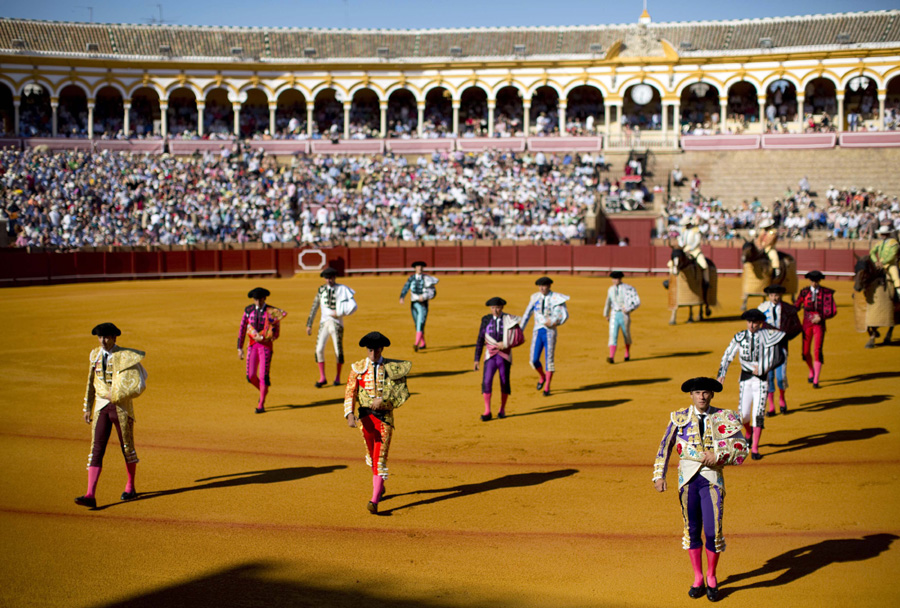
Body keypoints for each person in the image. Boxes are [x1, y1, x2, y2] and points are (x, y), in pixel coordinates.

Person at [653, 377, 749, 603]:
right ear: (691, 395)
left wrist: (720, 455)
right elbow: (664, 446)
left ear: (712, 395)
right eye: (698, 393)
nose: (702, 397)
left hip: (712, 478)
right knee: (692, 529)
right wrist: (659, 475)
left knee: (713, 531)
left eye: (706, 392)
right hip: (687, 480)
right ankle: (698, 578)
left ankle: (712, 577)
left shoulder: (725, 417)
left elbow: (742, 450)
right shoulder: (679, 418)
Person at [76, 322, 148, 508]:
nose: (103, 341)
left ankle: (130, 486)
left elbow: (137, 384)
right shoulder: (95, 356)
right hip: (101, 407)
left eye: (107, 337)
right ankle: (90, 494)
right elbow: (90, 382)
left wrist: (116, 394)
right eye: (100, 337)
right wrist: (87, 407)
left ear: (115, 338)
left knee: (127, 447)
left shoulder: (126, 356)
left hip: (121, 408)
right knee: (96, 449)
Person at [343, 331, 412, 514]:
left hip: (384, 418)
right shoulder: (358, 368)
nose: (373, 354)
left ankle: (374, 501)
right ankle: (379, 488)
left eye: (376, 350)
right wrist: (349, 414)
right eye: (370, 350)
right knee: (372, 456)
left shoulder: (392, 368)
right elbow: (350, 391)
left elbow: (402, 394)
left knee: (380, 458)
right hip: (365, 418)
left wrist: (384, 400)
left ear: (382, 349)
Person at [716, 309, 786, 460]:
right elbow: (728, 355)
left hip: (761, 380)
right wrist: (721, 374)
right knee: (743, 415)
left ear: (760, 323)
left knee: (758, 414)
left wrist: (762, 368)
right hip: (746, 379)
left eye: (755, 322)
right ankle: (749, 433)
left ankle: (754, 448)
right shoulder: (740, 337)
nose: (752, 325)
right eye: (749, 322)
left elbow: (778, 356)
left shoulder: (768, 336)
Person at [237, 287, 287, 414]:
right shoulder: (248, 311)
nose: (258, 302)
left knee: (264, 376)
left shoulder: (272, 311)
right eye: (256, 299)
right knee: (251, 376)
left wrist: (268, 337)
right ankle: (263, 390)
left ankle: (261, 404)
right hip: (252, 345)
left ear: (264, 298)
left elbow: (277, 331)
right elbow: (242, 328)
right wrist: (239, 347)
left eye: (260, 299)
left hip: (265, 346)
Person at [474, 297, 523, 421]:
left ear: (502, 308)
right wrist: (476, 359)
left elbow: (518, 338)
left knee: (504, 381)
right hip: (490, 355)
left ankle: (502, 409)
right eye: (493, 308)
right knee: (487, 381)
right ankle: (487, 411)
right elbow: (480, 339)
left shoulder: (509, 320)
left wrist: (506, 344)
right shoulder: (485, 320)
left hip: (504, 355)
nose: (495, 310)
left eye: (497, 308)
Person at [307, 267, 357, 388]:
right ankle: (322, 377)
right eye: (327, 278)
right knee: (319, 349)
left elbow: (352, 306)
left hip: (337, 323)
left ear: (334, 277)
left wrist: (340, 313)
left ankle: (338, 377)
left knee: (337, 350)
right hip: (324, 323)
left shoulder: (342, 289)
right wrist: (309, 324)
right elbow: (315, 307)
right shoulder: (321, 290)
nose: (329, 280)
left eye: (331, 278)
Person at [757, 285, 802, 415]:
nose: (774, 298)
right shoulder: (762, 309)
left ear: (780, 295)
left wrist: (785, 336)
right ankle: (771, 406)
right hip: (767, 348)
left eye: (776, 295)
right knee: (769, 377)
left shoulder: (787, 309)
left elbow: (796, 327)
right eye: (772, 295)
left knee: (781, 377)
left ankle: (782, 399)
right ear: (768, 296)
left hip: (781, 346)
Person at [521, 277, 570, 396]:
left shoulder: (556, 298)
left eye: (544, 286)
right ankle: (542, 376)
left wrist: (554, 321)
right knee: (533, 359)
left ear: (549, 286)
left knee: (549, 359)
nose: (542, 288)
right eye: (540, 286)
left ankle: (547, 387)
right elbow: (527, 314)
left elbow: (564, 315)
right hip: (538, 331)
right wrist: (520, 329)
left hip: (550, 332)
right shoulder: (535, 297)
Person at [795, 271, 837, 388]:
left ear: (819, 281)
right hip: (807, 324)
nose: (814, 283)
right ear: (810, 280)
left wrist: (821, 316)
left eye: (816, 281)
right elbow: (796, 306)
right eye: (812, 280)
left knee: (817, 350)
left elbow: (833, 310)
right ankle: (811, 371)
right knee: (805, 351)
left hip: (819, 324)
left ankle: (816, 379)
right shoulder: (804, 292)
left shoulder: (826, 293)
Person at [399, 261, 439, 351]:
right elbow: (406, 287)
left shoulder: (427, 279)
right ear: (415, 268)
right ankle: (423, 343)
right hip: (414, 304)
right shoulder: (411, 278)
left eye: (421, 267)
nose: (419, 268)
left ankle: (416, 343)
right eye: (418, 267)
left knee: (420, 323)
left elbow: (433, 292)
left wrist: (425, 296)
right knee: (417, 323)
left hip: (423, 304)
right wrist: (402, 297)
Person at [603, 270, 641, 363]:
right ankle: (611, 357)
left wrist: (628, 308)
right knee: (613, 334)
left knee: (626, 334)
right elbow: (608, 302)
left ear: (620, 279)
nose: (615, 280)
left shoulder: (627, 289)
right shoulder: (610, 289)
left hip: (624, 314)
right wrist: (606, 314)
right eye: (614, 279)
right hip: (614, 314)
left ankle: (627, 354)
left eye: (617, 278)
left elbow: (636, 301)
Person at [870, 225, 900, 300]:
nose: (883, 235)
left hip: (890, 264)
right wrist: (876, 261)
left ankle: (899, 294)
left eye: (884, 234)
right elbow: (872, 252)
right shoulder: (879, 243)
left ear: (888, 234)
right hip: (879, 265)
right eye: (882, 234)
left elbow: (892, 256)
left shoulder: (894, 243)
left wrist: (882, 262)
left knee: (896, 278)